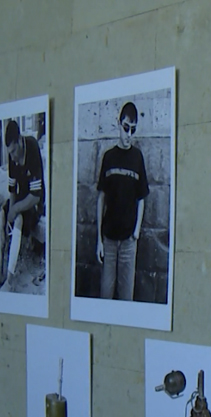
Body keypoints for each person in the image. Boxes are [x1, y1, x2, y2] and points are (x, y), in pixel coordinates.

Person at [96, 101, 149, 301]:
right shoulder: (108, 157)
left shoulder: (137, 157)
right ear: (118, 124)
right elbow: (101, 198)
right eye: (126, 128)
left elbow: (141, 198)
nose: (128, 134)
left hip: (128, 242)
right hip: (109, 240)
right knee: (105, 294)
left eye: (133, 130)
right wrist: (98, 240)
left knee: (127, 297)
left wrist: (136, 232)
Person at [0, 119, 45, 292]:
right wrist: (9, 213)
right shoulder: (12, 155)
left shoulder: (32, 147)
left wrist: (15, 210)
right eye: (9, 153)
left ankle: (9, 281)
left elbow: (35, 197)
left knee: (18, 219)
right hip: (21, 197)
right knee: (1, 216)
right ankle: (0, 271)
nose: (11, 157)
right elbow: (12, 189)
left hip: (34, 201)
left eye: (13, 151)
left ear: (20, 140)